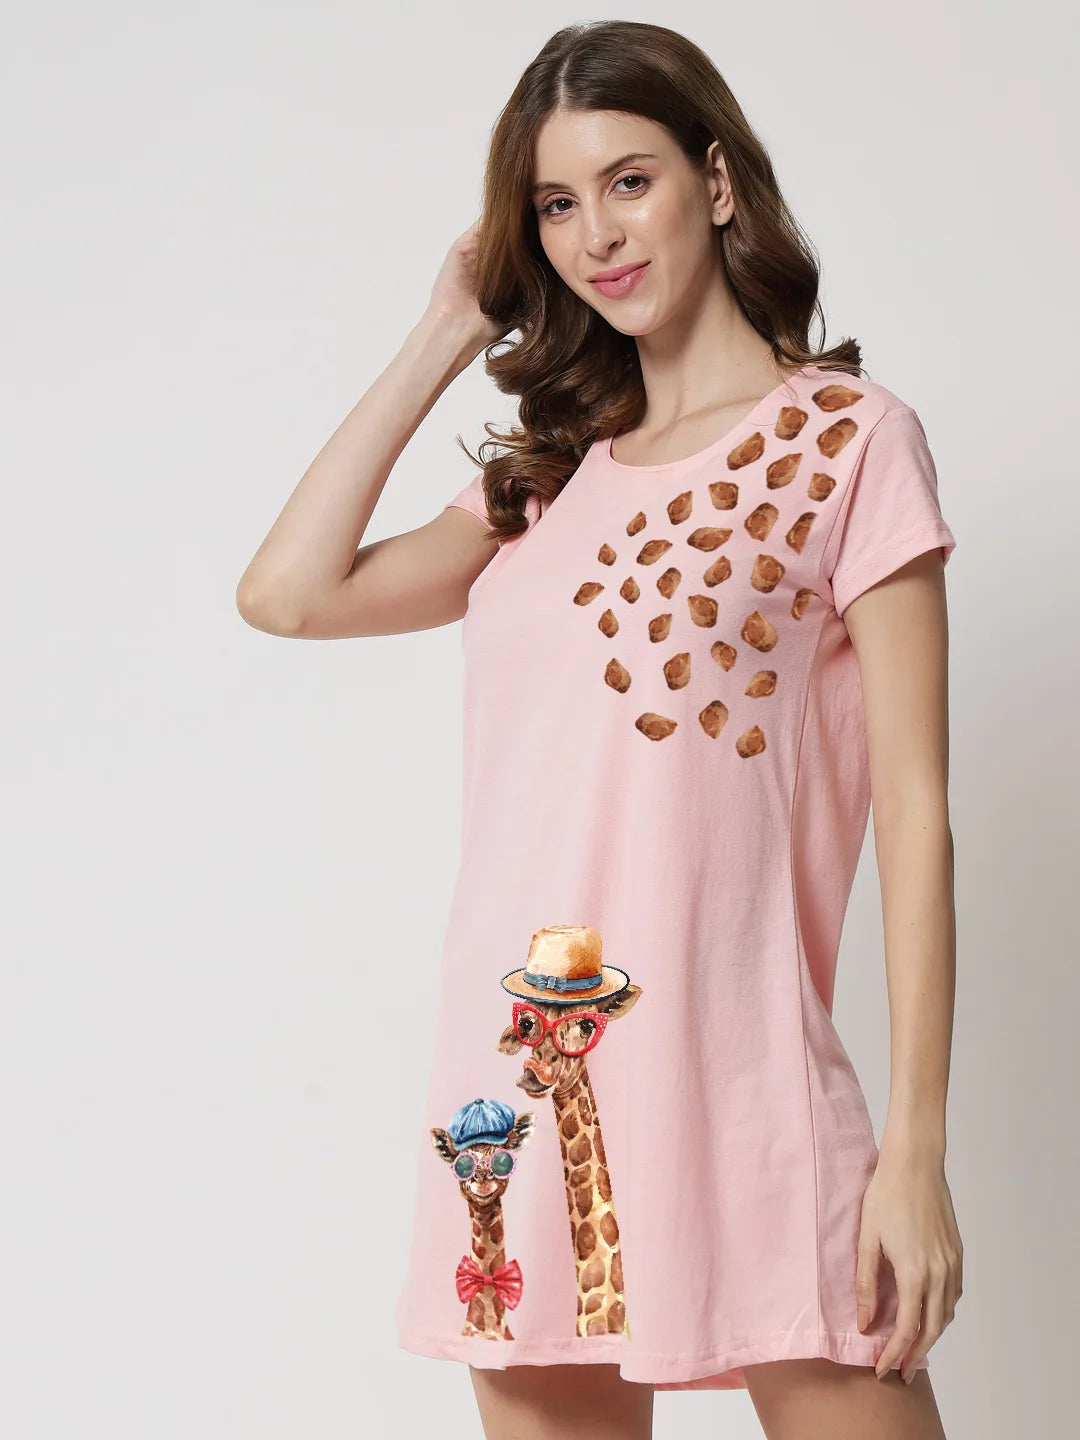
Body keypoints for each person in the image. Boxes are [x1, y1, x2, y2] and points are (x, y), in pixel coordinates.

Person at [235, 19, 963, 1440]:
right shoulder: (547, 482)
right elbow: (288, 594)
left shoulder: (844, 439)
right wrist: (449, 328)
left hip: (742, 1089)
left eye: (630, 182)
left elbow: (920, 812)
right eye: (556, 205)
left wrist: (916, 1151)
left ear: (718, 181)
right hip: (519, 1095)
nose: (595, 236)